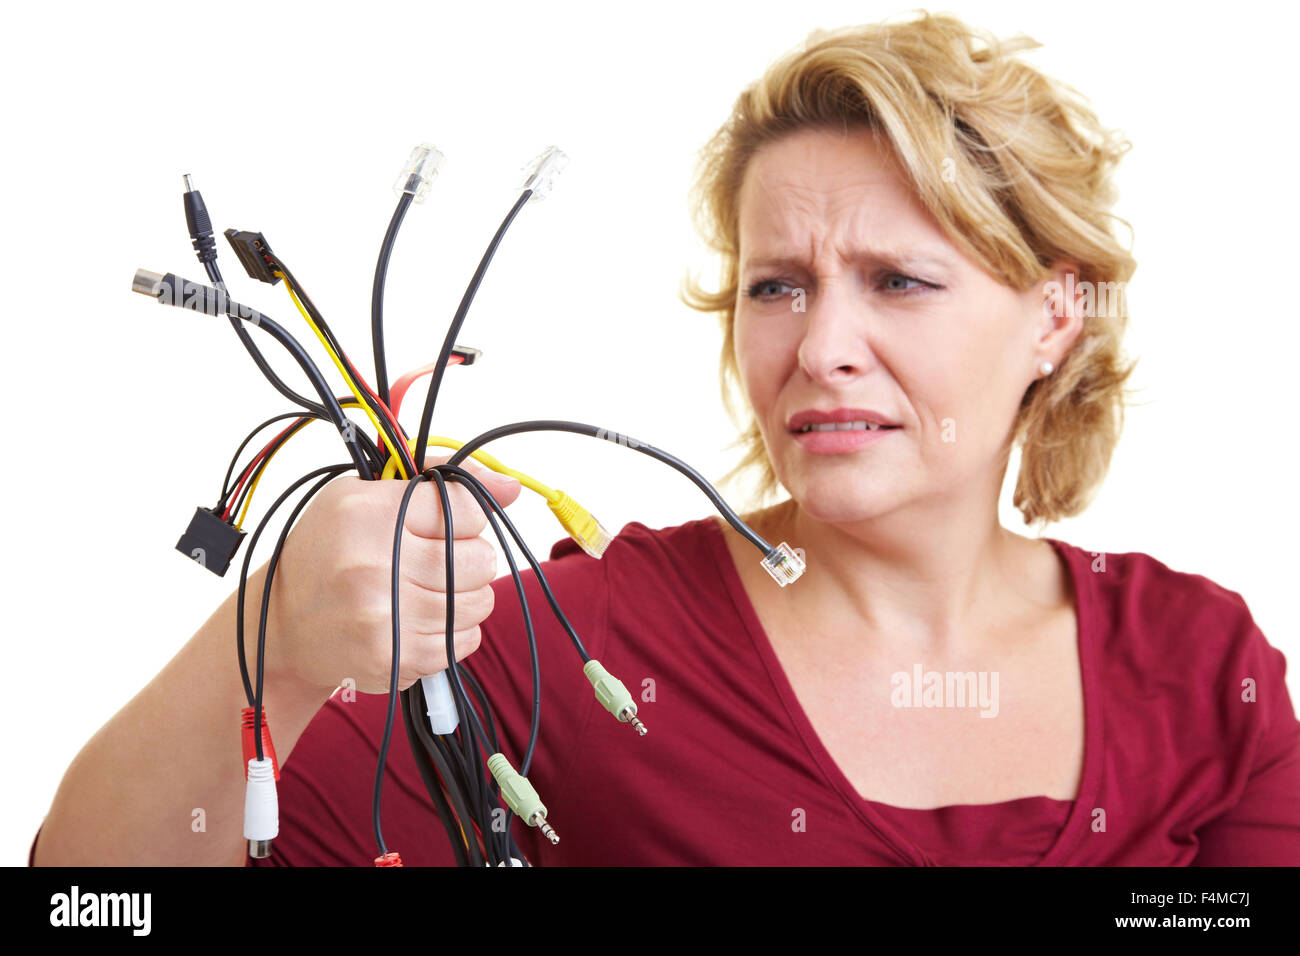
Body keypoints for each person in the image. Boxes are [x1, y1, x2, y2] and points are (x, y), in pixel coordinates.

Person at [32, 11, 1300, 867]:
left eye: (899, 281)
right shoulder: (562, 651)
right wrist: (275, 641)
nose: (818, 348)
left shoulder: (1198, 671)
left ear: (1052, 316)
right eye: (778, 284)